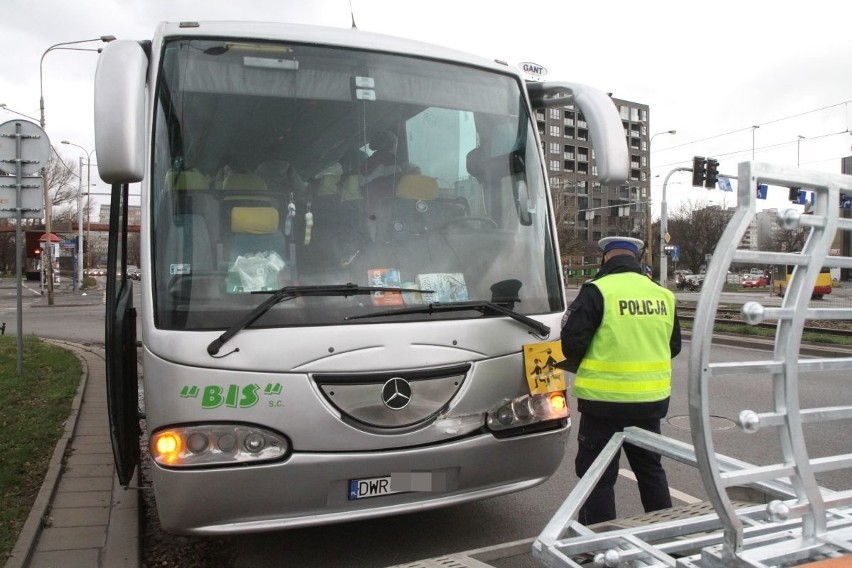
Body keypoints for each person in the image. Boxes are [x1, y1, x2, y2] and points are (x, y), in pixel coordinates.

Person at [560, 236, 682, 526]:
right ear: (636, 259)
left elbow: (572, 343)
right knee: (651, 470)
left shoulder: (597, 290)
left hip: (603, 404)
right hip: (649, 403)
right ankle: (667, 535)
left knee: (598, 476)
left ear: (606, 258)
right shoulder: (662, 294)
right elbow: (673, 346)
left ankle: (597, 545)